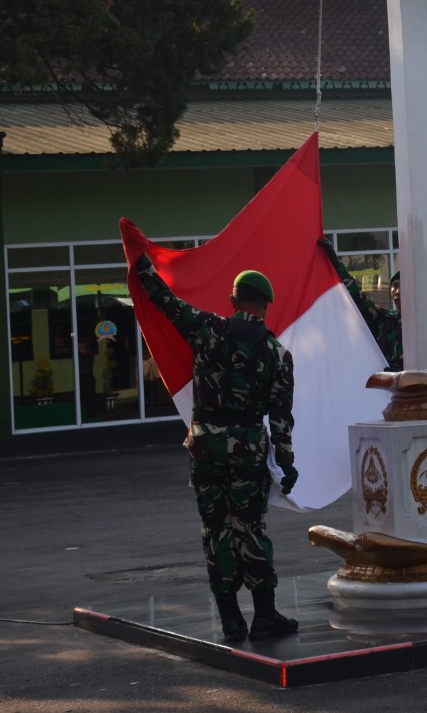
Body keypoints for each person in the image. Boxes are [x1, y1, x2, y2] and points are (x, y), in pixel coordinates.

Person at [133, 255, 298, 642]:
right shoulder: (277, 354)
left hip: (206, 444)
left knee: (215, 530)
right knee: (250, 528)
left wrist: (143, 271)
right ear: (265, 304)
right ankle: (264, 616)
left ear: (234, 299)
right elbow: (280, 416)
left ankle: (231, 619)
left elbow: (168, 304)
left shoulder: (209, 329)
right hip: (248, 447)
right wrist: (287, 463)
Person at [320, 238, 402, 371]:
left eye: (403, 285)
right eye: (394, 286)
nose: (397, 291)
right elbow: (357, 298)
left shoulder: (424, 325)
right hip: (387, 388)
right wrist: (335, 264)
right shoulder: (385, 319)